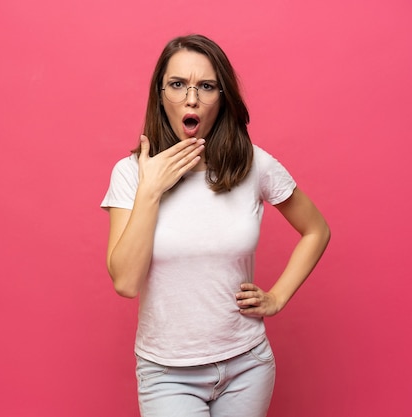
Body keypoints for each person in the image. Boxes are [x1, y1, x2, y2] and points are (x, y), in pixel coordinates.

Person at [101, 34, 330, 417]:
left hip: (247, 364)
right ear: (160, 95)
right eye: (177, 85)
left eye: (206, 86)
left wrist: (277, 297)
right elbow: (125, 282)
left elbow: (316, 230)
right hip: (168, 372)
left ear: (222, 97)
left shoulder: (253, 165)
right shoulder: (130, 175)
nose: (191, 99)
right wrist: (151, 190)